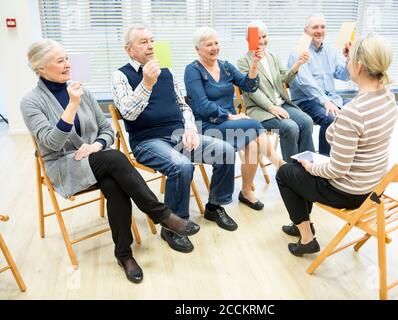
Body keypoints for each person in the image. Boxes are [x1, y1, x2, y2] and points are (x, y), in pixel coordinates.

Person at [21, 39, 200, 284]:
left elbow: (107, 130)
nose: (68, 64)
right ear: (41, 68)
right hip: (65, 164)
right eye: (60, 60)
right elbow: (51, 143)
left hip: (97, 159)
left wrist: (96, 145)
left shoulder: (81, 90)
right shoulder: (31, 102)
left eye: (67, 58)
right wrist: (72, 105)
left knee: (115, 184)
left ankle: (124, 255)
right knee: (116, 159)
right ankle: (160, 213)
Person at [111, 26, 237, 254]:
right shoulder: (120, 75)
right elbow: (128, 113)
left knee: (225, 150)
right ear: (129, 49)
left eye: (152, 40)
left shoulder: (166, 71)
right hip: (147, 141)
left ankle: (215, 206)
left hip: (179, 134)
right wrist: (147, 83)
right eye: (143, 42)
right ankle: (173, 227)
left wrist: (189, 128)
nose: (150, 45)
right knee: (181, 166)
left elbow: (183, 105)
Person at [276, 34, 396, 257]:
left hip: (350, 193)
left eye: (349, 60)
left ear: (358, 66)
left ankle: (306, 238)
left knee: (286, 172)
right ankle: (300, 221)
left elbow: (336, 170)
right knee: (303, 167)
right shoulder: (388, 97)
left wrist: (310, 167)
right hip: (373, 186)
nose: (346, 64)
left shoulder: (354, 112)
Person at [184, 27, 285, 211]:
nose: (214, 47)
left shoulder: (225, 66)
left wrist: (254, 64)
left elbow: (249, 85)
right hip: (207, 125)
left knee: (253, 144)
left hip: (230, 124)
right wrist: (232, 116)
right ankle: (283, 168)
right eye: (209, 45)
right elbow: (202, 106)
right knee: (254, 124)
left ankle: (246, 192)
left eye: (216, 43)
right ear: (197, 49)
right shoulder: (192, 71)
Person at [237, 20, 314, 161]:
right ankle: (290, 173)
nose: (261, 41)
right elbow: (250, 90)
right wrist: (271, 107)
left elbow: (285, 78)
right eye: (257, 37)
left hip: (281, 104)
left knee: (307, 121)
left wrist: (298, 63)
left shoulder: (273, 56)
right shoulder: (243, 61)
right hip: (260, 109)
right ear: (248, 39)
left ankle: (308, 166)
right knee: (290, 128)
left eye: (264, 36)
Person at [287, 14, 352, 155]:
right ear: (306, 31)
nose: (319, 30)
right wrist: (325, 101)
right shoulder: (298, 52)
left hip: (331, 99)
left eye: (322, 27)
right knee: (331, 119)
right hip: (306, 101)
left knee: (356, 111)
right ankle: (324, 162)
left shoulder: (331, 51)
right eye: (315, 27)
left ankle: (342, 157)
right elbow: (305, 84)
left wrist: (348, 59)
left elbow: (345, 76)